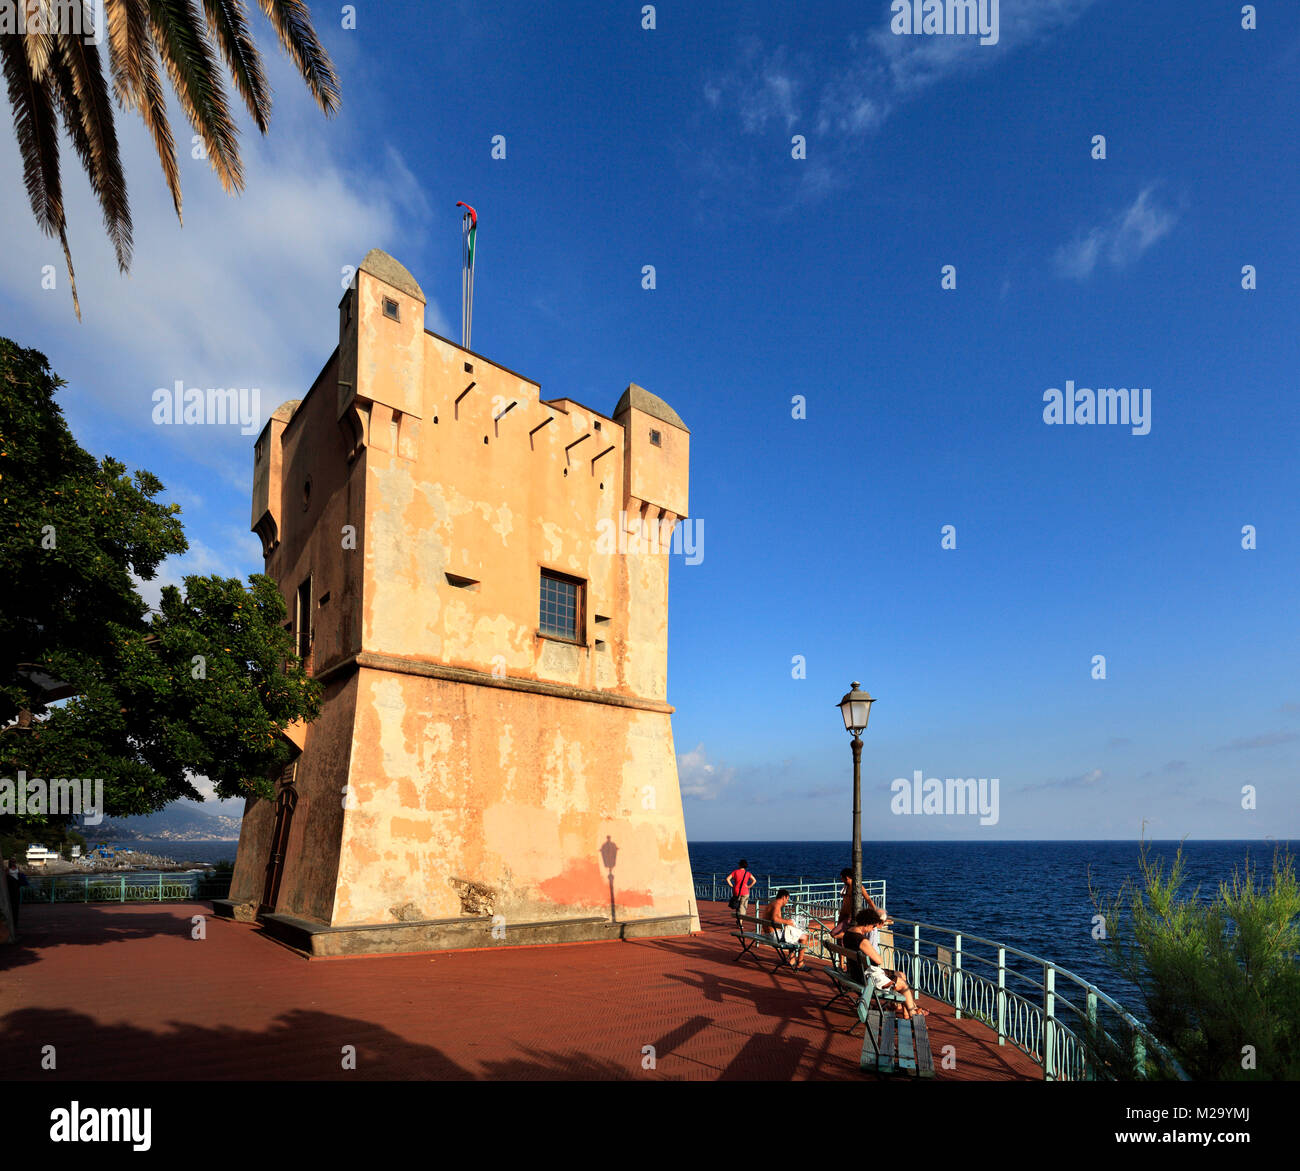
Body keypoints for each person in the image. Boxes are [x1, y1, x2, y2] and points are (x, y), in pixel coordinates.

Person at [843, 907, 927, 1018]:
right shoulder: (862, 940)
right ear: (867, 924)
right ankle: (912, 1013)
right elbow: (879, 961)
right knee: (902, 984)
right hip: (866, 978)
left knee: (901, 974)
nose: (873, 929)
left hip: (856, 973)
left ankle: (904, 1011)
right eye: (872, 926)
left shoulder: (848, 934)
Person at [823, 867, 883, 939]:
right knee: (838, 938)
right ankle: (843, 947)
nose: (841, 880)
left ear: (847, 878)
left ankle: (850, 937)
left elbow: (868, 899)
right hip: (843, 915)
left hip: (850, 916)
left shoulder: (858, 887)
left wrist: (876, 911)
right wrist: (841, 916)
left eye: (842, 878)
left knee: (835, 933)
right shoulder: (846, 887)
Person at [761, 888, 811, 970]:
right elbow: (775, 919)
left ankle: (792, 960)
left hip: (768, 934)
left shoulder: (771, 904)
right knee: (804, 937)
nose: (787, 902)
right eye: (787, 899)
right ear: (784, 897)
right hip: (775, 936)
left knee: (792, 936)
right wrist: (788, 922)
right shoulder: (777, 904)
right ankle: (800, 964)